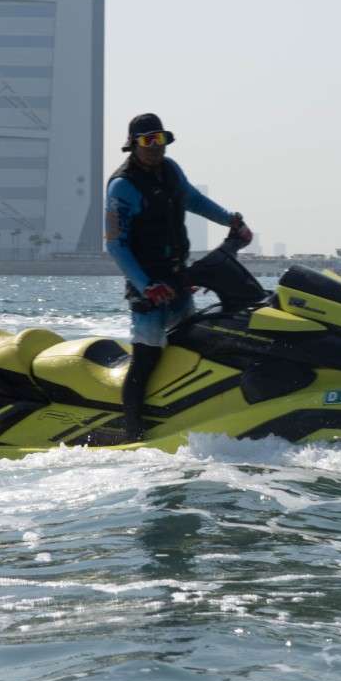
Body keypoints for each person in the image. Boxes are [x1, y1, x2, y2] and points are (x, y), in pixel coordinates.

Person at [104, 112, 252, 438]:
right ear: (132, 146)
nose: (154, 147)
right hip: (148, 289)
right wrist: (146, 287)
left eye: (160, 139)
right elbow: (116, 245)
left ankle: (191, 411)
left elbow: (194, 200)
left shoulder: (170, 171)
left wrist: (231, 221)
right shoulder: (122, 186)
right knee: (146, 360)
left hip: (178, 280)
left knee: (194, 344)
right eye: (147, 141)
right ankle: (132, 433)